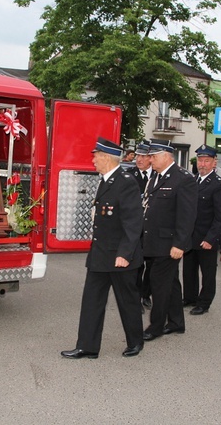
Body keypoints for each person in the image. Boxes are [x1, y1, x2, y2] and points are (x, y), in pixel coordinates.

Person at [61, 138, 144, 359]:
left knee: (127, 301)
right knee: (92, 301)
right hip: (100, 253)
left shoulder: (126, 182)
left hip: (119, 256)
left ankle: (136, 341)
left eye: (96, 156)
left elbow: (133, 222)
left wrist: (125, 254)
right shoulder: (105, 180)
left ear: (106, 158)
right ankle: (87, 346)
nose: (93, 160)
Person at [141, 139, 197, 341]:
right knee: (171, 283)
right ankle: (176, 323)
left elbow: (187, 216)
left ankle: (156, 326)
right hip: (154, 241)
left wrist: (179, 244)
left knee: (159, 284)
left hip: (169, 243)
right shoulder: (156, 176)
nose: (150, 160)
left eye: (153, 156)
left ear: (166, 156)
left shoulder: (183, 179)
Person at [183, 145, 221, 315]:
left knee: (207, 272)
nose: (202, 164)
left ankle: (204, 302)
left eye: (206, 161)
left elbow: (220, 217)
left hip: (206, 237)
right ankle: (190, 297)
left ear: (213, 163)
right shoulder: (193, 180)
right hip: (191, 236)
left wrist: (211, 238)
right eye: (200, 161)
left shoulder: (218, 185)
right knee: (189, 270)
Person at [126, 141, 154, 309]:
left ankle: (146, 294)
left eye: (143, 156)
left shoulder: (157, 176)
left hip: (151, 227)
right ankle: (135, 296)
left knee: (150, 263)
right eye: (137, 156)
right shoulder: (129, 175)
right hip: (135, 226)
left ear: (151, 158)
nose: (139, 159)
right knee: (136, 264)